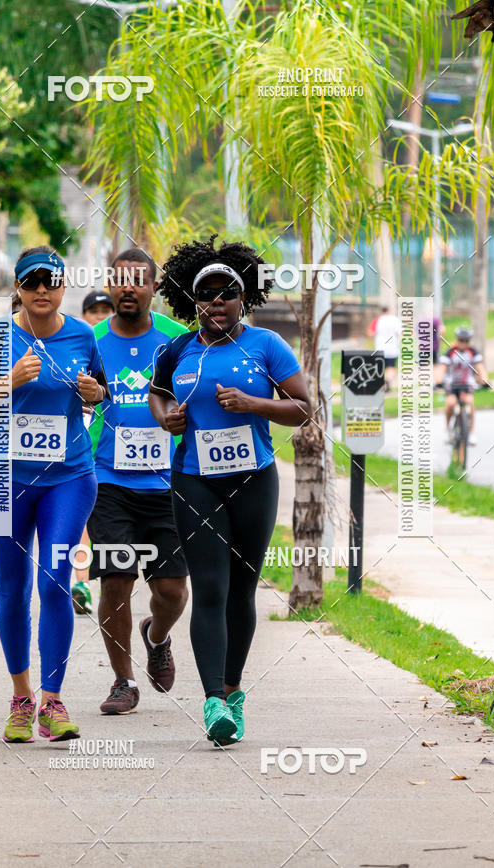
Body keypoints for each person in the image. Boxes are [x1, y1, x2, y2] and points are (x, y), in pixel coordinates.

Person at [149, 237, 311, 746]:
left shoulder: (266, 346)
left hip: (254, 479)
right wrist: (168, 418)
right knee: (211, 588)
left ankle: (235, 691)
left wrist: (253, 405)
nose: (216, 302)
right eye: (206, 294)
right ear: (192, 300)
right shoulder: (176, 349)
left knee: (242, 589)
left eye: (227, 293)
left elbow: (304, 408)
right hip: (194, 480)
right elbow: (157, 393)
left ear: (245, 299)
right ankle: (213, 700)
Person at [0, 246, 109, 743]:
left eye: (52, 281)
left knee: (55, 581)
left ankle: (53, 700)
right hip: (4, 479)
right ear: (18, 288)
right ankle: (21, 698)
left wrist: (95, 394)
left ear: (64, 287)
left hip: (68, 475)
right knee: (13, 589)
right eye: (32, 281)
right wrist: (5, 383)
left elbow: (100, 390)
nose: (42, 289)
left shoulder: (83, 335)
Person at [86, 247, 189, 715]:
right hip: (107, 481)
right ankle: (123, 681)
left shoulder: (179, 341)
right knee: (116, 580)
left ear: (152, 288)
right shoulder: (89, 341)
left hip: (169, 483)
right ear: (109, 284)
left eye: (138, 280)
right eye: (120, 280)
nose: (128, 287)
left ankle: (157, 635)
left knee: (172, 592)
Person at [70, 290, 115, 615]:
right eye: (93, 310)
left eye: (105, 310)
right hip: (79, 447)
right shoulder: (75, 347)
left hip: (112, 449)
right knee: (82, 518)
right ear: (85, 316)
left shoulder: (118, 349)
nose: (100, 316)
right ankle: (81, 582)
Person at [438, 326, 488, 446]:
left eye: (466, 341)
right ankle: (448, 428)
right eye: (461, 340)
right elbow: (442, 369)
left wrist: (484, 381)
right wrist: (439, 381)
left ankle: (469, 433)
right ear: (457, 339)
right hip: (452, 384)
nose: (463, 343)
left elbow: (480, 367)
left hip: (467, 384)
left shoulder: (473, 352)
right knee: (450, 403)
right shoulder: (450, 352)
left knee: (470, 404)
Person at [372, 306, 402, 391]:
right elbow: (401, 332)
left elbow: (370, 332)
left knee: (381, 367)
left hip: (380, 347)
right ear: (388, 311)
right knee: (391, 367)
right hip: (392, 348)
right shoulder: (395, 320)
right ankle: (387, 381)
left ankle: (383, 383)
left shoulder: (377, 320)